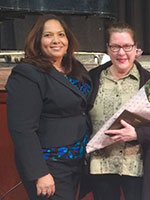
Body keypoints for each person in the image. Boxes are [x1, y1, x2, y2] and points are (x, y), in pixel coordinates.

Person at [5, 14, 91, 199]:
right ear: (37, 40)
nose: (56, 40)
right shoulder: (27, 74)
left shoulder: (75, 68)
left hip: (75, 162)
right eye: (48, 35)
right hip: (50, 164)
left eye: (61, 34)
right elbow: (22, 129)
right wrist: (39, 173)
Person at [87, 22, 150, 200]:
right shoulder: (92, 78)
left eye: (127, 46)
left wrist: (137, 133)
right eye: (115, 46)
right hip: (100, 165)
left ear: (136, 48)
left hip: (137, 167)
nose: (121, 52)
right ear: (108, 49)